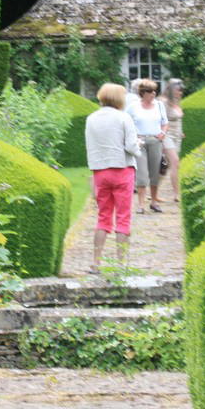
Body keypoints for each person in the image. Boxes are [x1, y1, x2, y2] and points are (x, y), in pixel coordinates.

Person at [85, 83, 140, 274]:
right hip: (122, 170)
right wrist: (139, 147)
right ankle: (121, 265)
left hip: (100, 171)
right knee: (123, 218)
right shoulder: (123, 117)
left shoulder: (91, 118)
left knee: (103, 217)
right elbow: (131, 146)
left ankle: (96, 263)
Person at [126, 78, 168, 214]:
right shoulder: (133, 107)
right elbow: (125, 122)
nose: (153, 93)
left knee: (155, 173)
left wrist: (163, 133)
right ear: (143, 93)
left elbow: (165, 122)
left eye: (155, 91)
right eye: (150, 91)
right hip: (140, 143)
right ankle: (141, 205)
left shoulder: (159, 105)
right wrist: (132, 136)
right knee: (142, 174)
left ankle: (154, 202)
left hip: (155, 141)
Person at [160, 78, 185, 202]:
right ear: (171, 90)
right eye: (178, 90)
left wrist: (180, 132)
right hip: (167, 136)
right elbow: (160, 120)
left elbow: (178, 120)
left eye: (181, 90)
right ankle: (176, 194)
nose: (181, 93)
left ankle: (154, 190)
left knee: (167, 165)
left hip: (176, 137)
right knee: (175, 162)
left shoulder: (177, 102)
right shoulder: (163, 103)